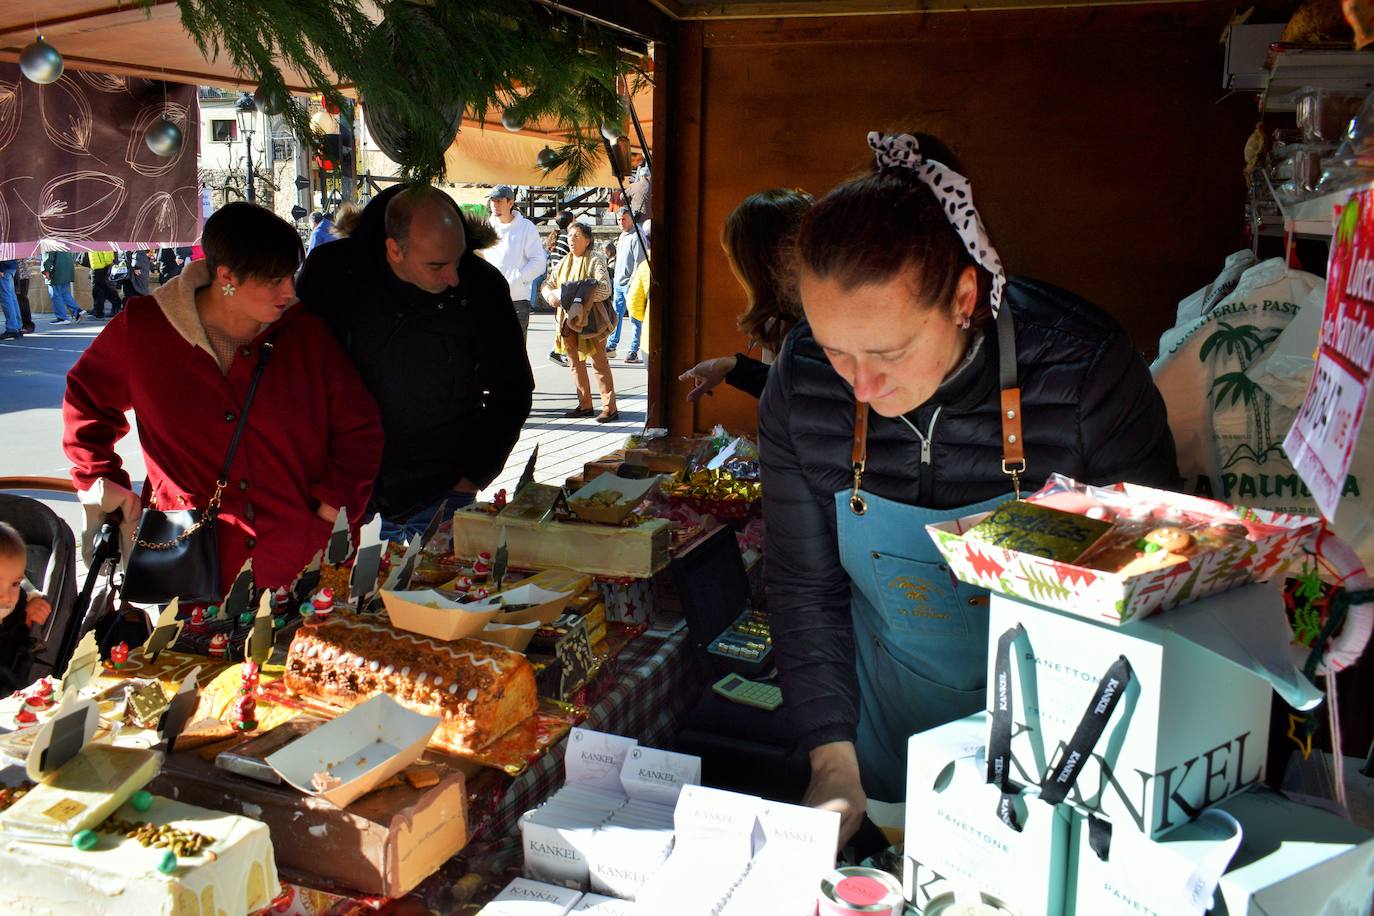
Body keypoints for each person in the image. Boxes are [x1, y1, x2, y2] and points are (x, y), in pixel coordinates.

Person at [761, 132, 1179, 847]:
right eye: (836, 349)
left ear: (964, 295)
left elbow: (1154, 589)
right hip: (887, 722)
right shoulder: (802, 382)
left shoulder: (1083, 370)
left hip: (1063, 734)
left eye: (889, 353)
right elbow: (806, 586)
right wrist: (834, 764)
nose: (860, 384)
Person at [63, 202, 384, 597]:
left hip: (298, 554)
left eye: (291, 274)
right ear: (226, 277)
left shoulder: (307, 335)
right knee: (190, 660)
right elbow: (85, 401)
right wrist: (100, 478)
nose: (289, 290)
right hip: (190, 559)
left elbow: (361, 429)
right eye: (272, 279)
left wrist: (332, 505)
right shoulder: (147, 329)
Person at [298, 184, 534, 543]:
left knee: (446, 597)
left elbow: (512, 388)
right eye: (438, 266)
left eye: (459, 259)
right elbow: (300, 379)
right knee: (351, 599)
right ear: (394, 249)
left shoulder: (480, 284)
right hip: (351, 491)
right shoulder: (334, 274)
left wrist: (474, 474)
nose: (453, 277)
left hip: (447, 488)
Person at [679, 189, 813, 402]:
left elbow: (801, 401)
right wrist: (732, 366)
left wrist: (735, 368)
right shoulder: (799, 312)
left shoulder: (816, 323)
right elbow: (795, 386)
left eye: (735, 257)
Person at [542, 221, 617, 423]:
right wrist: (550, 295)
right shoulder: (565, 261)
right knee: (575, 362)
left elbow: (604, 290)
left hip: (591, 321)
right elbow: (547, 283)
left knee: (599, 362)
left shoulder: (595, 260)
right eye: (570, 236)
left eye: (576, 236)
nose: (572, 240)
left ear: (588, 240)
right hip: (567, 321)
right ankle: (585, 405)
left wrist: (578, 296)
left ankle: (609, 408)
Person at [481, 185, 545, 340]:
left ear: (510, 203)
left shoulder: (525, 227)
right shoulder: (485, 227)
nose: (494, 204)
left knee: (516, 354)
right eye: (492, 200)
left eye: (499, 200)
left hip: (516, 301)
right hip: (488, 300)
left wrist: (517, 279)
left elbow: (539, 261)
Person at [0, 523, 51, 694]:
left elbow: (24, 595)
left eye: (14, 583)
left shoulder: (17, 605)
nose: (6, 596)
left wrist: (32, 601)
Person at [605, 208, 648, 362]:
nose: (620, 222)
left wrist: (631, 282)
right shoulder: (623, 236)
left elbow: (640, 262)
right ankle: (611, 345)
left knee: (635, 318)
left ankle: (633, 350)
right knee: (615, 316)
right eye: (618, 220)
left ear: (631, 219)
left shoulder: (637, 236)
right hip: (618, 282)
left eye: (623, 219)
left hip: (631, 284)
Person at [41, 250, 82, 324]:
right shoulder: (63, 240)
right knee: (65, 293)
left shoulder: (49, 242)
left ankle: (62, 318)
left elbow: (48, 257)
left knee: (55, 294)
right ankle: (77, 311)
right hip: (66, 269)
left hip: (56, 271)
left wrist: (46, 270)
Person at [87, 250, 123, 319]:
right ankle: (116, 302)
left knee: (98, 290)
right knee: (102, 288)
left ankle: (98, 313)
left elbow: (106, 249)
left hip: (100, 266)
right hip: (98, 265)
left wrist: (108, 263)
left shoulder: (98, 240)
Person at [0, 258, 21, 340]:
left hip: (3, 266)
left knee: (6, 298)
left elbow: (2, 251)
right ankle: (17, 326)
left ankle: (12, 329)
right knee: (11, 297)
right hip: (11, 265)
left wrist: (1, 268)